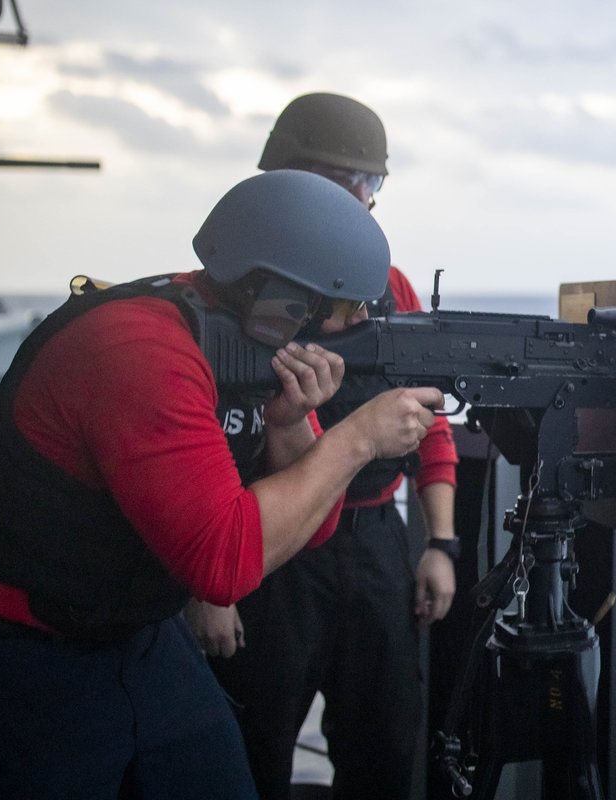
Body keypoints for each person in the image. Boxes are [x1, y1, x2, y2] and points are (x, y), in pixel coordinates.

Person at [0, 168, 444, 798]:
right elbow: (223, 565)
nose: (351, 325)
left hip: (139, 633)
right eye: (343, 308)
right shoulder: (140, 349)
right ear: (280, 297)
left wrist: (289, 431)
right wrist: (356, 439)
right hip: (28, 651)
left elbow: (315, 526)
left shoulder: (250, 344)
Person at [185, 92, 461, 799]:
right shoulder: (240, 293)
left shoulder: (389, 288)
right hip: (269, 544)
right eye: (351, 181)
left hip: (374, 537)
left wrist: (441, 541)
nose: (365, 200)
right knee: (253, 744)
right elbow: (201, 442)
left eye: (372, 184)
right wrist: (207, 588)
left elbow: (428, 418)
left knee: (385, 741)